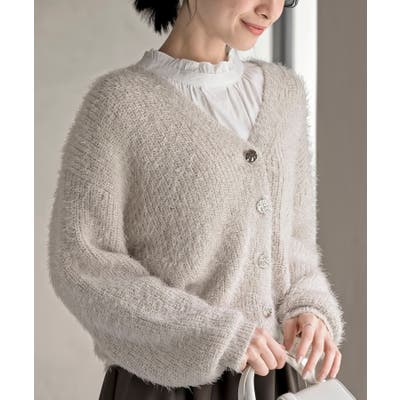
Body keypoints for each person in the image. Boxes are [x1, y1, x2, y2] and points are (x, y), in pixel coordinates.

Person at [47, 1, 346, 399]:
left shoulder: (285, 95)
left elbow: (295, 247)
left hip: (271, 380)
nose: (270, 10)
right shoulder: (119, 106)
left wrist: (308, 308)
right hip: (164, 387)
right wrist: (215, 335)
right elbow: (82, 264)